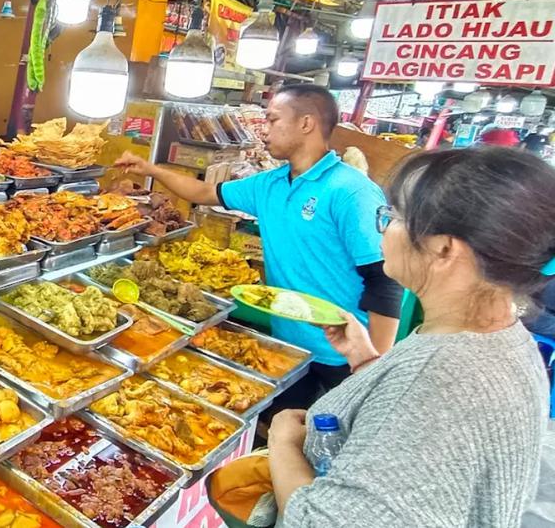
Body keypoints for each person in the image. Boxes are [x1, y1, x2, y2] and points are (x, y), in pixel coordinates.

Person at [268, 147, 550, 526]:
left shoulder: (441, 383)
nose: (383, 226)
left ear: (444, 248)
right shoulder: (505, 339)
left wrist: (282, 444)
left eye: (394, 216)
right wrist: (367, 363)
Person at [114, 84, 401, 409]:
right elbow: (204, 192)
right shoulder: (272, 183)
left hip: (346, 354)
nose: (263, 131)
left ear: (306, 124)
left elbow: (384, 281)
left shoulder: (351, 192)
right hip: (287, 346)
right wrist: (150, 169)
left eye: (272, 120)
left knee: (335, 445)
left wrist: (372, 369)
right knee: (285, 430)